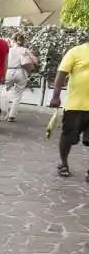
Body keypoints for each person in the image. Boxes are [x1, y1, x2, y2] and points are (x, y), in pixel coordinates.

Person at [50, 39, 89, 179]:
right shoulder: (75, 51)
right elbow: (61, 74)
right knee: (68, 137)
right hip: (76, 105)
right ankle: (63, 163)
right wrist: (56, 96)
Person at [5, 33, 37, 122]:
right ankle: (12, 115)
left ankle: (4, 110)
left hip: (8, 71)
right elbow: (35, 61)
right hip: (21, 72)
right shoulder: (25, 50)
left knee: (3, 91)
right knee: (18, 95)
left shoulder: (9, 50)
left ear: (13, 40)